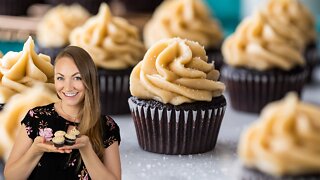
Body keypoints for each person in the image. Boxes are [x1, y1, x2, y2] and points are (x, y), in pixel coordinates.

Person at [4, 46, 121, 180]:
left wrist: (86, 148)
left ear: (89, 79)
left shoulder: (106, 126)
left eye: (77, 78)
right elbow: (11, 176)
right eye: (60, 78)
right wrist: (35, 151)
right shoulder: (36, 117)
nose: (68, 87)